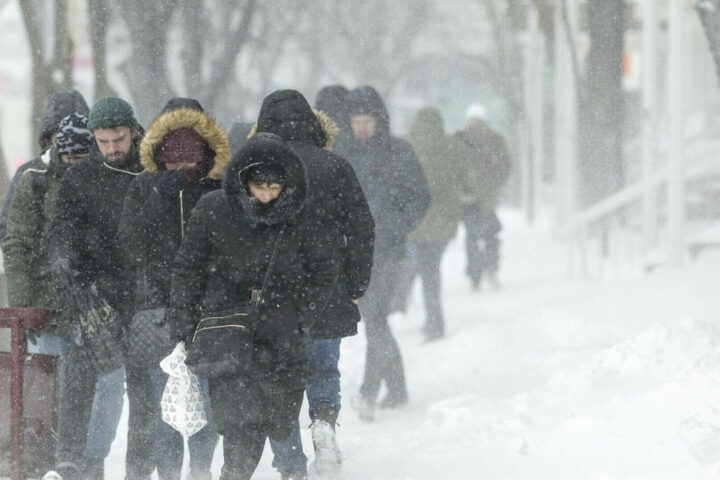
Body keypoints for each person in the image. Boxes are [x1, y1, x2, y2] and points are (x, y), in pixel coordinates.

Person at [169, 133, 338, 480]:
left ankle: (287, 470)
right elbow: (189, 266)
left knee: (277, 419)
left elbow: (324, 270)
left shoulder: (302, 216)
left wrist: (301, 316)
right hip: (227, 330)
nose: (265, 195)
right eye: (258, 186)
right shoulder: (215, 209)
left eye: (273, 188)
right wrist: (185, 321)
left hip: (282, 334)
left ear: (286, 184)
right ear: (243, 180)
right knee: (238, 423)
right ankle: (240, 473)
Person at [251, 89, 374, 479]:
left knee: (277, 380)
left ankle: (289, 462)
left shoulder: (256, 169)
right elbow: (361, 228)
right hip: (328, 286)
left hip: (273, 295)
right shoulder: (336, 166)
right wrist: (356, 282)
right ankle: (323, 419)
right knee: (323, 367)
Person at [3, 112, 125, 479]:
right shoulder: (34, 182)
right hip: (49, 308)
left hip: (92, 305)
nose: (76, 165)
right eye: (70, 157)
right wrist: (26, 308)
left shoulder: (106, 180)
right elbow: (18, 245)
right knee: (49, 391)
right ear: (57, 151)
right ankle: (53, 462)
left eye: (82, 157)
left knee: (107, 387)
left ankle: (90, 459)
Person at [119, 97, 227, 480]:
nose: (180, 169)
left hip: (210, 310)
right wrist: (158, 199)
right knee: (165, 401)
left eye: (188, 160)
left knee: (208, 404)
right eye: (172, 159)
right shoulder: (146, 187)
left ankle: (200, 470)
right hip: (159, 311)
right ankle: (168, 473)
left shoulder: (219, 186)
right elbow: (130, 244)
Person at [46, 97, 152, 480]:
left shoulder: (149, 171)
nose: (112, 148)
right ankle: (70, 461)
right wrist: (62, 258)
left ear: (134, 132)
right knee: (78, 378)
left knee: (145, 392)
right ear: (94, 138)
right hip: (95, 293)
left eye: (119, 139)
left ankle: (139, 470)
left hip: (142, 294)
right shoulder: (79, 178)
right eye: (104, 141)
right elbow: (62, 228)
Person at [335, 86, 430, 421]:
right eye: (356, 121)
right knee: (376, 320)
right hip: (354, 252)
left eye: (367, 121)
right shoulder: (341, 154)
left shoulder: (398, 152)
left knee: (375, 320)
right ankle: (398, 388)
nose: (361, 127)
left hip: (389, 251)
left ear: (379, 120)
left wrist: (395, 224)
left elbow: (420, 197)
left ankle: (368, 393)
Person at [402, 107, 480, 341]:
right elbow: (469, 180)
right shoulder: (453, 147)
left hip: (415, 220)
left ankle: (430, 318)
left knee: (422, 267)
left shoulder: (407, 148)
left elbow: (397, 183)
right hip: (445, 221)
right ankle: (434, 320)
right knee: (431, 269)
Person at [0, 90, 89, 241]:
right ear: (49, 138)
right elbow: (9, 231)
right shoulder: (31, 174)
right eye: (61, 137)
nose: (68, 144)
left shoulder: (100, 170)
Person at [456, 104, 511, 290]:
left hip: (467, 198)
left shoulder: (460, 139)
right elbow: (506, 165)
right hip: (488, 197)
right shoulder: (494, 139)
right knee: (490, 234)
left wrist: (460, 189)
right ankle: (492, 269)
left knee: (471, 236)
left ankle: (474, 275)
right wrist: (494, 185)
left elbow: (451, 169)